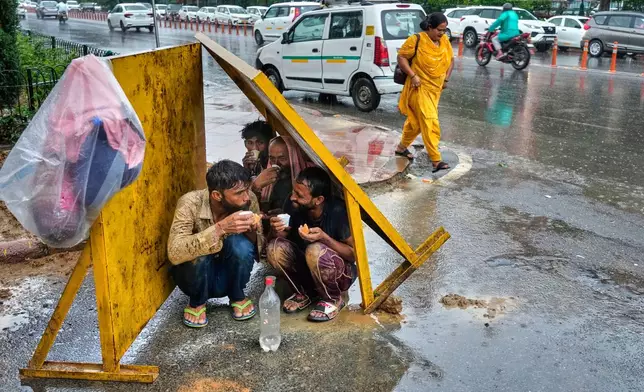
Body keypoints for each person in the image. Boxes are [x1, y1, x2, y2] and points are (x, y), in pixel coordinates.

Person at [167, 160, 262, 328]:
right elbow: (175, 253)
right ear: (217, 195)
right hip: (196, 277)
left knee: (240, 244)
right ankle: (197, 302)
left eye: (247, 189)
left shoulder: (249, 200)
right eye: (239, 192)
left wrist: (253, 230)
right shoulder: (190, 203)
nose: (246, 196)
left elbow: (257, 248)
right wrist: (219, 229)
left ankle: (237, 294)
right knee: (200, 251)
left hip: (228, 275)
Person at [266, 167, 356, 322]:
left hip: (339, 272)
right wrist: (278, 231)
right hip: (308, 267)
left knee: (315, 249)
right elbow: (286, 237)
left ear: (318, 199)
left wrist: (324, 238)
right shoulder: (293, 203)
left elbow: (354, 254)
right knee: (275, 248)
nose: (293, 197)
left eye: (299, 195)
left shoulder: (338, 211)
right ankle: (303, 292)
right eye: (294, 191)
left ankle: (332, 299)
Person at [394, 13, 453, 173]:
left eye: (445, 30)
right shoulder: (416, 40)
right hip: (418, 88)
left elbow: (451, 60)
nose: (442, 33)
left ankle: (401, 148)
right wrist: (413, 76)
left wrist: (446, 80)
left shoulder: (444, 41)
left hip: (435, 90)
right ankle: (436, 160)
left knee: (415, 125)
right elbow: (402, 58)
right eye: (440, 30)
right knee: (429, 121)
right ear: (429, 27)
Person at [253, 136, 315, 213]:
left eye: (282, 158)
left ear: (293, 156)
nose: (276, 164)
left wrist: (286, 213)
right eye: (272, 158)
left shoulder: (311, 174)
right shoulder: (267, 178)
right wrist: (255, 186)